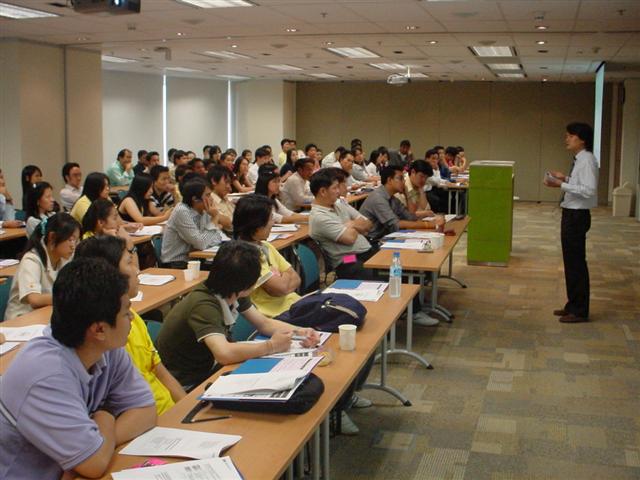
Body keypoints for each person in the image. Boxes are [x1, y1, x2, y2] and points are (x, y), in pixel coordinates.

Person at [0, 257, 156, 480]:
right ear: (99, 329)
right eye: (125, 313)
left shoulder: (106, 348)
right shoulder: (45, 374)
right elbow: (94, 464)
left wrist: (96, 444)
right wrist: (106, 416)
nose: (131, 318)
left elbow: (146, 411)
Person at [156, 241, 319, 390]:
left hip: (207, 368)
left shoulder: (231, 289)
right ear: (248, 284)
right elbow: (224, 353)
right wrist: (271, 346)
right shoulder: (203, 304)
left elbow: (264, 323)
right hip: (185, 383)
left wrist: (300, 331)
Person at [75, 235, 186, 414]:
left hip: (169, 414)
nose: (137, 271)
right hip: (149, 422)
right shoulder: (105, 340)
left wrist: (186, 409)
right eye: (129, 263)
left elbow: (161, 372)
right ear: (109, 273)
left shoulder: (133, 317)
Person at [544, 122, 598, 323]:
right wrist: (565, 178)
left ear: (582, 139)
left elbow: (589, 190)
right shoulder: (580, 159)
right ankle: (572, 304)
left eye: (570, 135)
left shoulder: (587, 160)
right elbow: (580, 185)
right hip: (571, 213)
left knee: (576, 263)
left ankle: (579, 310)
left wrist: (561, 184)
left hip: (577, 215)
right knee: (571, 262)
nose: (566, 139)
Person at [233, 195, 301, 317]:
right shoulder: (245, 256)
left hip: (294, 304)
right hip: (276, 316)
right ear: (257, 225)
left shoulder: (266, 246)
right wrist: (284, 277)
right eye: (270, 219)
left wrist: (281, 279)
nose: (273, 223)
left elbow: (296, 279)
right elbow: (281, 288)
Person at [4, 213, 80, 320]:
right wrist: (67, 298)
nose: (73, 246)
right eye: (70, 240)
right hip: (22, 318)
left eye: (76, 240)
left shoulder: (64, 258)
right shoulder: (31, 259)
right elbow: (35, 299)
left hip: (47, 314)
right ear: (52, 237)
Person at [308, 168, 376, 281]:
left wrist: (351, 224)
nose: (338, 191)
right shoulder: (319, 217)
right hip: (347, 260)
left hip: (366, 251)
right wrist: (357, 226)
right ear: (323, 192)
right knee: (384, 273)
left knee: (392, 260)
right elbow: (350, 238)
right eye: (335, 188)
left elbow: (368, 224)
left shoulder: (339, 204)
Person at [359, 165, 442, 243]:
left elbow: (410, 217)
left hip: (382, 238)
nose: (404, 182)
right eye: (400, 179)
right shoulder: (378, 198)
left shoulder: (392, 199)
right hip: (370, 241)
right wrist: (429, 225)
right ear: (389, 180)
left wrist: (407, 194)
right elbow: (396, 224)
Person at [160, 177, 223, 268]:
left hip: (195, 259)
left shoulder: (205, 210)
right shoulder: (181, 211)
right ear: (195, 199)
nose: (211, 199)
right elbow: (201, 243)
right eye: (208, 195)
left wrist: (202, 242)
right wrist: (215, 218)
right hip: (176, 263)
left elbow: (217, 238)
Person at [207, 165, 234, 233]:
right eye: (226, 182)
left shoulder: (224, 197)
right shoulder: (209, 201)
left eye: (229, 183)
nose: (229, 187)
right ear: (214, 181)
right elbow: (229, 225)